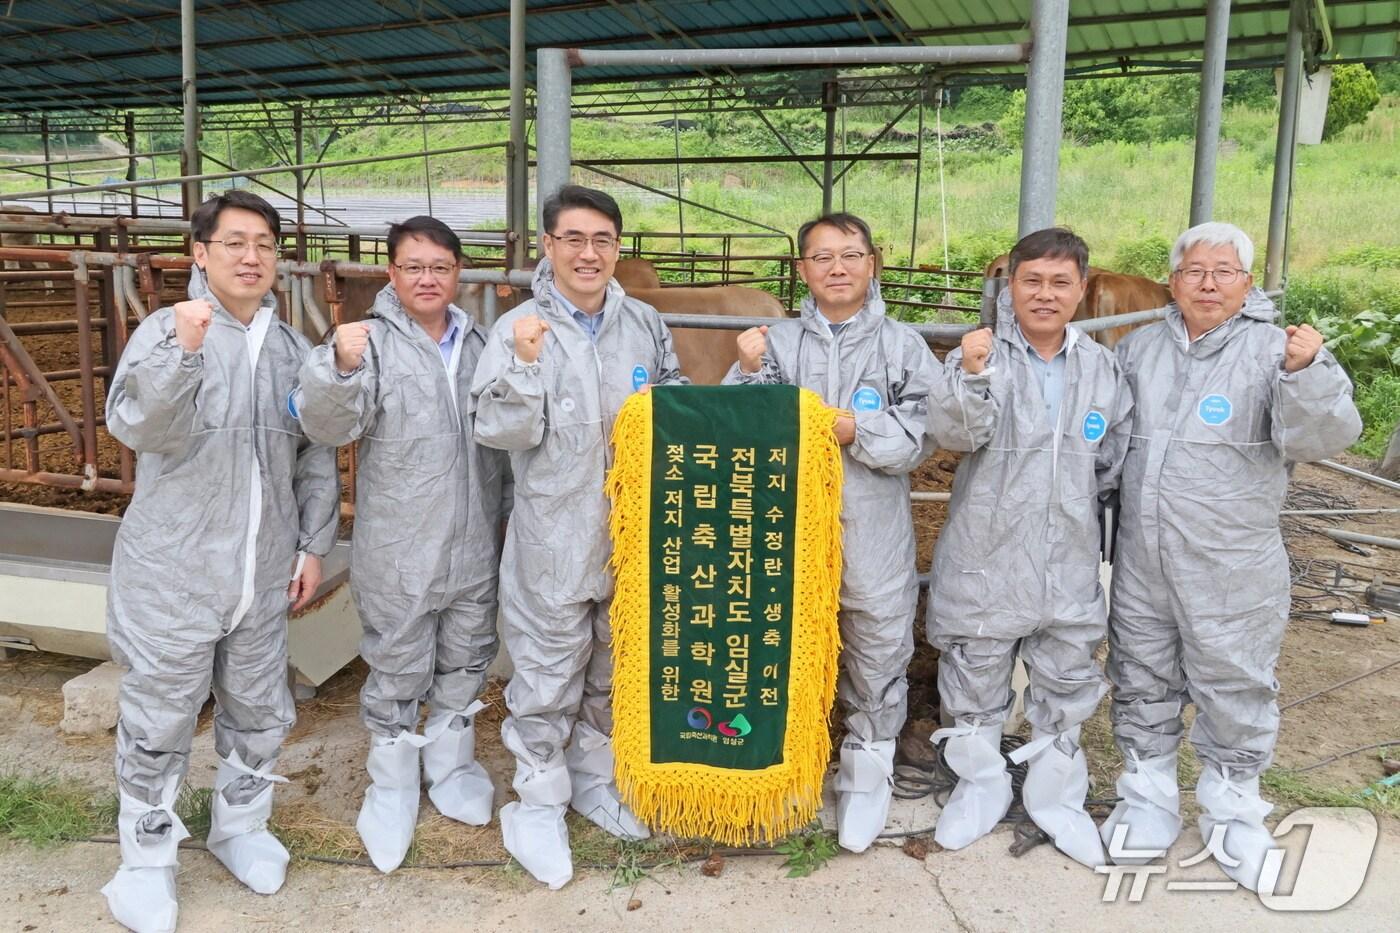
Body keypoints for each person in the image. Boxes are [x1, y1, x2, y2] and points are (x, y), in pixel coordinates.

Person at [102, 190, 339, 933]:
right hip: (175, 565)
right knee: (161, 710)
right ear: (200, 253)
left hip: (262, 568)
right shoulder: (166, 332)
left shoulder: (293, 348)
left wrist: (311, 545)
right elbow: (138, 426)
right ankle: (143, 859)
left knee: (259, 705)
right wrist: (186, 351)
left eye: (265, 244)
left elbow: (314, 453)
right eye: (234, 242)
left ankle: (239, 826)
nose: (251, 257)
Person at [1102, 222, 1361, 890]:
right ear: (1173, 280)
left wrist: (1307, 374)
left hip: (1232, 559)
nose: (1208, 282)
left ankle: (1233, 811)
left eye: (1225, 270)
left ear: (1247, 284)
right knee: (1142, 670)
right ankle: (1147, 795)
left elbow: (1323, 438)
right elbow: (1108, 442)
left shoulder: (1277, 351)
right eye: (1194, 270)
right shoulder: (1141, 349)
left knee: (1235, 680)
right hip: (1142, 553)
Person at [469, 184, 687, 889]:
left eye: (602, 240)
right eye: (573, 239)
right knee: (547, 666)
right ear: (549, 245)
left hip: (631, 531)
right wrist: (528, 368)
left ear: (617, 248)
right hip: (553, 533)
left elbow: (673, 405)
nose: (588, 253)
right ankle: (535, 798)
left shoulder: (644, 324)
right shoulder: (516, 329)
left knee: (612, 659)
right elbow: (498, 431)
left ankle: (595, 773)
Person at [294, 216, 510, 872]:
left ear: (457, 274)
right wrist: (339, 366)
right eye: (413, 266)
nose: (427, 278)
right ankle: (391, 781)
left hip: (474, 537)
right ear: (391, 273)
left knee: (467, 653)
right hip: (399, 544)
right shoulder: (369, 343)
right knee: (397, 660)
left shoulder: (479, 345)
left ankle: (451, 764)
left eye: (440, 267)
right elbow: (326, 425)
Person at [723, 212, 939, 853]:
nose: (837, 268)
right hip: (781, 526)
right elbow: (735, 433)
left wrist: (859, 433)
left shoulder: (902, 346)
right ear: (802, 270)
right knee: (780, 645)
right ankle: (784, 772)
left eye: (850, 255)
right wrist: (750, 371)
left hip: (873, 526)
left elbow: (924, 435)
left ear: (874, 262)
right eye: (822, 257)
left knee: (877, 642)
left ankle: (866, 773)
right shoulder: (774, 343)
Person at [925, 227, 1132, 867]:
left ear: (1082, 289)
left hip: (1067, 552)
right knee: (975, 667)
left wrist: (1066, 508)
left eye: (1059, 282)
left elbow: (1111, 460)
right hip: (984, 548)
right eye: (1031, 280)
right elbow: (950, 433)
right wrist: (974, 375)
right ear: (1008, 286)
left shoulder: (1102, 368)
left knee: (1066, 673)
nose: (1045, 294)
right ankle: (979, 787)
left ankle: (1056, 797)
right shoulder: (978, 357)